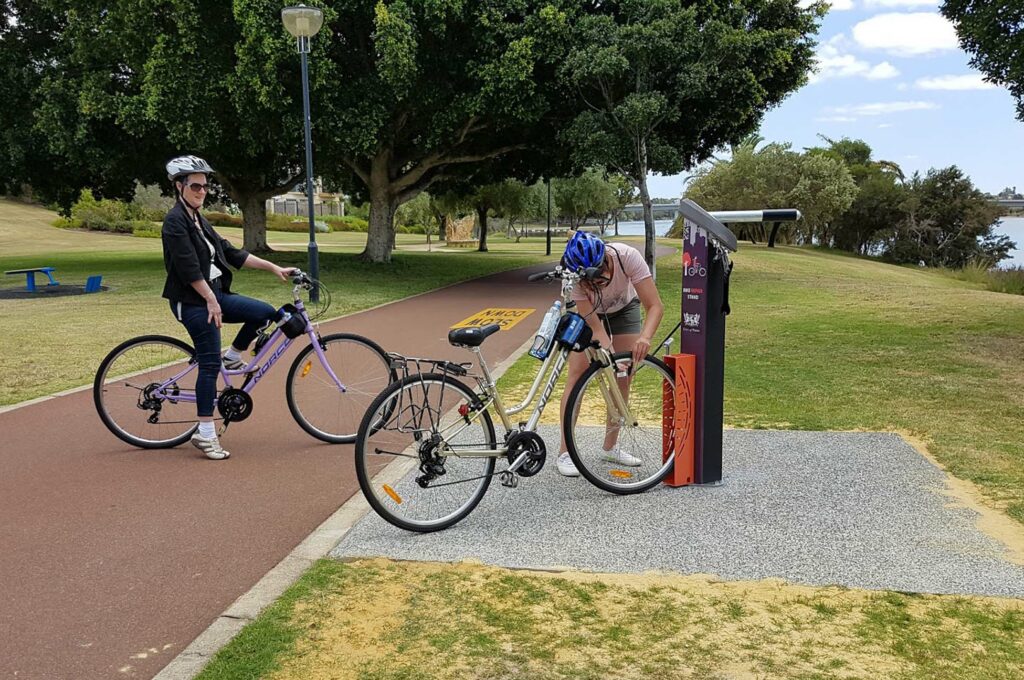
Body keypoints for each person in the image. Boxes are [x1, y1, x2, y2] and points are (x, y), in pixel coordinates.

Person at [161, 155, 295, 460]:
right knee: (209, 364)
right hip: (192, 302)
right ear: (179, 186)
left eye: (205, 186)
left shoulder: (198, 219)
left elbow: (232, 254)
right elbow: (188, 269)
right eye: (195, 186)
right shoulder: (175, 222)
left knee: (265, 312)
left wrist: (274, 268)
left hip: (214, 295)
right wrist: (210, 300)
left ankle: (234, 356)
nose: (202, 191)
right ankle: (205, 433)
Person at [556, 231, 664, 477]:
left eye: (602, 274)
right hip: (590, 315)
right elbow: (597, 330)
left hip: (625, 308)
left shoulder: (628, 256)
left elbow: (655, 306)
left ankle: (610, 446)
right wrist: (609, 352)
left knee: (623, 375)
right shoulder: (572, 279)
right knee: (577, 377)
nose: (599, 281)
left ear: (606, 258)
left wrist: (645, 338)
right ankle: (565, 452)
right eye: (591, 281)